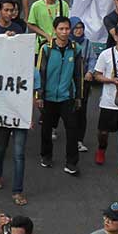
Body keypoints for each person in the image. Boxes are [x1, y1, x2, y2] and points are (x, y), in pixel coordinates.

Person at [36, 16, 84, 176]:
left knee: (72, 129)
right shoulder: (46, 49)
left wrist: (78, 96)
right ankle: (46, 156)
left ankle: (71, 163)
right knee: (46, 129)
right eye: (61, 29)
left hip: (67, 97)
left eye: (67, 29)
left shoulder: (76, 49)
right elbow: (40, 73)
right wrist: (39, 95)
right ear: (55, 30)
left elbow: (79, 74)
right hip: (48, 97)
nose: (64, 32)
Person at [92, 23, 118, 171]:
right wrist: (111, 80)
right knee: (103, 132)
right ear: (116, 37)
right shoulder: (106, 54)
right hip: (109, 102)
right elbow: (97, 75)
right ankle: (101, 148)